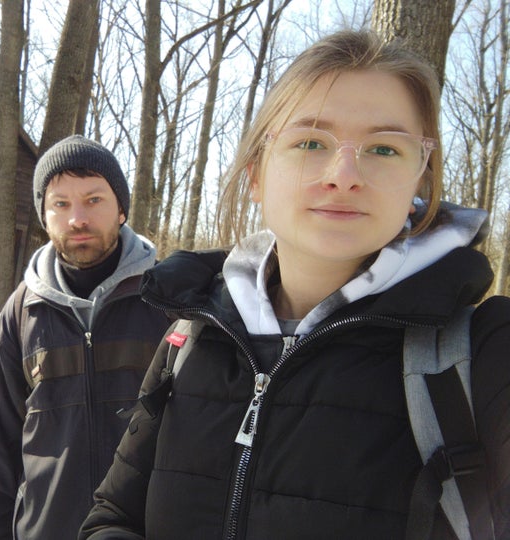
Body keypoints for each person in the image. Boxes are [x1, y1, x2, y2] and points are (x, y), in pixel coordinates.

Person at [79, 31, 510, 539]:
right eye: (310, 142)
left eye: (384, 148)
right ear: (257, 173)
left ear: (420, 177)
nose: (344, 174)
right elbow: (114, 517)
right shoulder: (193, 335)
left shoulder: (480, 352)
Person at [0, 135, 170, 539]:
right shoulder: (19, 316)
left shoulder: (170, 302)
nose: (77, 218)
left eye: (94, 200)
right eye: (61, 204)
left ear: (122, 209)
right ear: (45, 216)